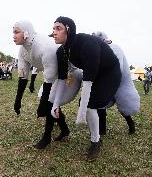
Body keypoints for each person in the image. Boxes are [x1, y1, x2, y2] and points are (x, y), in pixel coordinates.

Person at [49, 16, 121, 161]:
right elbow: (62, 79)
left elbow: (87, 83)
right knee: (88, 103)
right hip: (94, 74)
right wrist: (55, 104)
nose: (54, 32)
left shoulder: (87, 43)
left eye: (58, 28)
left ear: (68, 30)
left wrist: (81, 114)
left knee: (89, 105)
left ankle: (96, 141)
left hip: (109, 73)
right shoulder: (61, 51)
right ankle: (97, 132)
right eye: (53, 29)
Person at [13, 20, 81, 149]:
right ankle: (64, 129)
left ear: (26, 33)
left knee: (49, 101)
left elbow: (49, 81)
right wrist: (18, 100)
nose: (13, 35)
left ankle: (47, 137)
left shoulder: (44, 47)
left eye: (16, 32)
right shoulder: (23, 50)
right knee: (46, 100)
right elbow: (22, 76)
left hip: (70, 74)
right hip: (55, 76)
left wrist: (42, 106)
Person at [92, 31, 139, 135]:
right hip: (105, 82)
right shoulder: (98, 50)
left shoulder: (115, 48)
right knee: (100, 105)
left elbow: (118, 68)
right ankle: (102, 130)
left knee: (124, 106)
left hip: (119, 82)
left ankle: (131, 123)